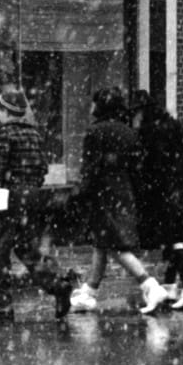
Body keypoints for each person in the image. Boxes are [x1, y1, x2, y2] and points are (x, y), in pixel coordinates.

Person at [68, 88, 171, 315]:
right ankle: (89, 291)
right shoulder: (129, 133)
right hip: (124, 192)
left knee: (114, 245)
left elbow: (90, 169)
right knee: (103, 243)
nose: (90, 107)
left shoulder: (95, 132)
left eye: (93, 103)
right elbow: (137, 167)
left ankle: (149, 285)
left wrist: (78, 194)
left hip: (102, 194)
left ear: (101, 106)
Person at [0, 85, 76, 322]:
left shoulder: (4, 133)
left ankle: (3, 305)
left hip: (9, 195)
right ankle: (57, 284)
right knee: (28, 248)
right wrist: (30, 186)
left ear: (4, 110)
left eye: (0, 109)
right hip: (33, 197)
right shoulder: (34, 134)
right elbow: (43, 168)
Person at [132, 89, 183, 309]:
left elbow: (145, 166)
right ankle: (171, 285)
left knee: (173, 238)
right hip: (182, 188)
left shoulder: (147, 132)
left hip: (162, 191)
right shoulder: (179, 126)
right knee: (174, 234)